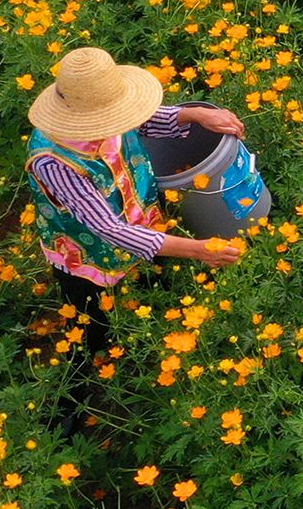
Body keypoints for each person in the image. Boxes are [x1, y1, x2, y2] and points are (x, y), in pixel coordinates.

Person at [26, 46, 247, 358]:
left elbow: (143, 120)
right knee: (91, 318)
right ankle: (89, 370)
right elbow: (108, 229)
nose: (120, 120)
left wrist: (194, 115)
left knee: (150, 273)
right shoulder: (53, 161)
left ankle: (150, 310)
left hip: (139, 215)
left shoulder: (110, 114)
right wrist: (197, 249)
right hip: (87, 247)